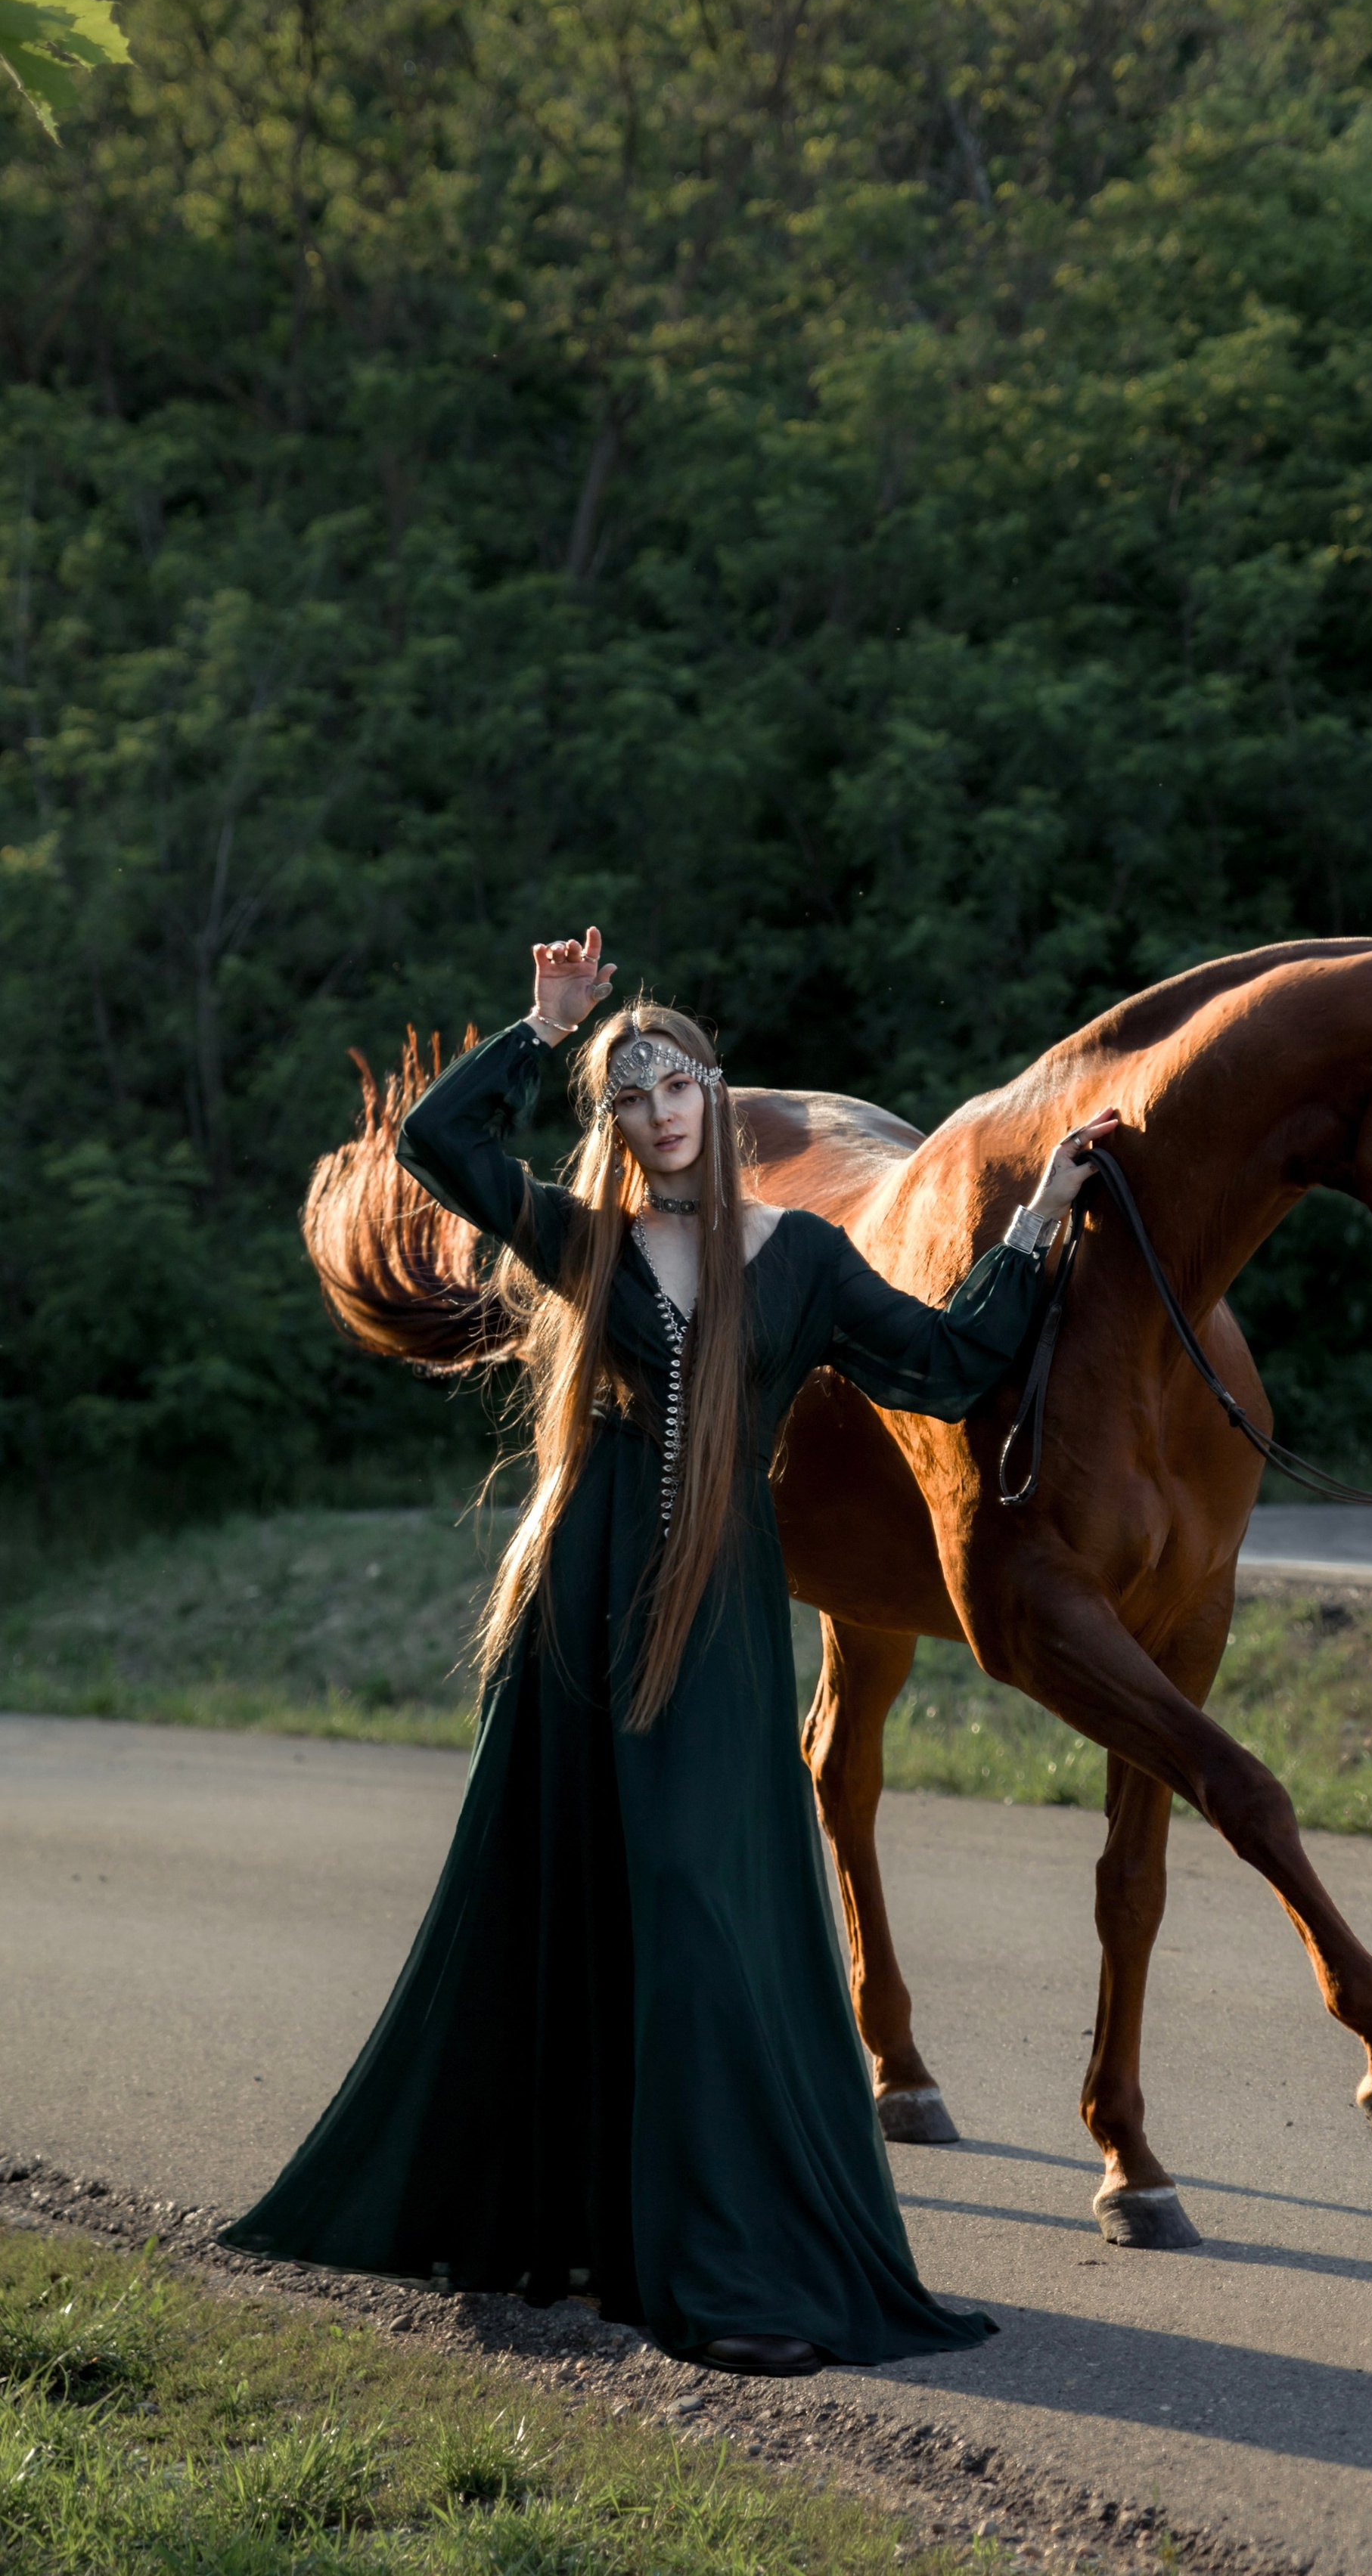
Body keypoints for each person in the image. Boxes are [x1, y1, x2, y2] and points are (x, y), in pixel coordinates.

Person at [223, 927, 1116, 2376]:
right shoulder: (587, 1243)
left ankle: (728, 2265)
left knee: (706, 1908)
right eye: (627, 1094)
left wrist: (1036, 1229)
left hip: (720, 1615)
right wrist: (540, 1025)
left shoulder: (805, 1261)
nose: (656, 1110)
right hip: (584, 1605)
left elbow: (951, 1366)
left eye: (674, 1082)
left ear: (714, 1088)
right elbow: (441, 1143)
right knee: (582, 1901)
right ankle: (596, 2236)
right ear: (614, 1122)